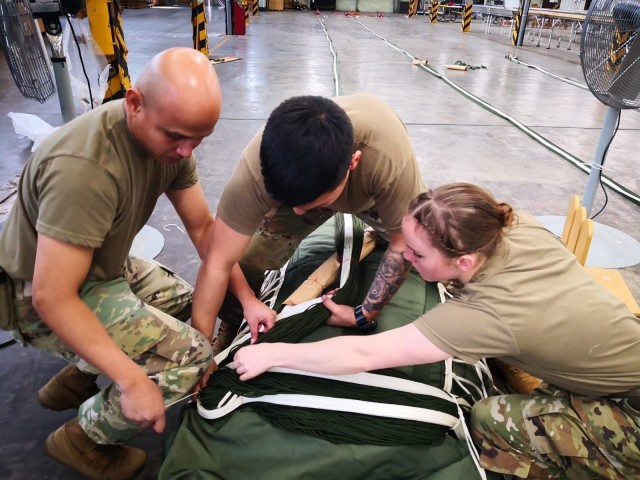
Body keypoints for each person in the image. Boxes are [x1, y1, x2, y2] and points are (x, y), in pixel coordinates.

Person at [231, 183, 640, 479]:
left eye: (416, 253)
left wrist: (273, 354)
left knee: (489, 418)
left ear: (463, 262)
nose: (404, 256)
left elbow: (363, 355)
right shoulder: (513, 226)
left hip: (630, 409)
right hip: (620, 352)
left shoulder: (488, 315)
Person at [0, 47, 272, 480]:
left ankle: (74, 379)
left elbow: (204, 231)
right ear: (134, 103)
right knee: (192, 358)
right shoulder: (85, 169)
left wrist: (247, 298)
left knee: (190, 304)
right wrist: (131, 380)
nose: (186, 151)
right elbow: (53, 297)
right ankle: (83, 439)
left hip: (99, 270)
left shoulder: (168, 144)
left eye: (199, 139)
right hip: (35, 296)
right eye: (177, 136)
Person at [191, 93, 426, 356]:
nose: (298, 211)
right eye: (290, 202)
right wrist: (199, 352)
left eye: (311, 203)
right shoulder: (258, 168)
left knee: (429, 254)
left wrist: (364, 313)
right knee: (247, 258)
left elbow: (401, 244)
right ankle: (235, 323)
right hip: (310, 184)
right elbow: (218, 260)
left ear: (353, 163)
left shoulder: (387, 160)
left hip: (370, 196)